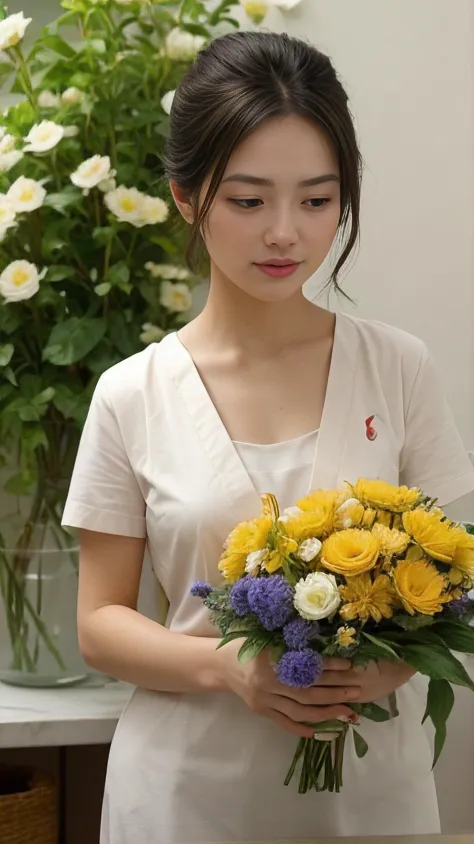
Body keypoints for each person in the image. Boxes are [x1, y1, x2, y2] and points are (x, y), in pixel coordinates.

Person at [61, 30, 474, 844]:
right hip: (186, 798)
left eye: (317, 201)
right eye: (249, 201)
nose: (285, 233)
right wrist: (227, 665)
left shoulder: (399, 367)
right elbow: (100, 620)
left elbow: (458, 577)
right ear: (186, 195)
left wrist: (386, 659)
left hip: (369, 796)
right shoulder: (131, 394)